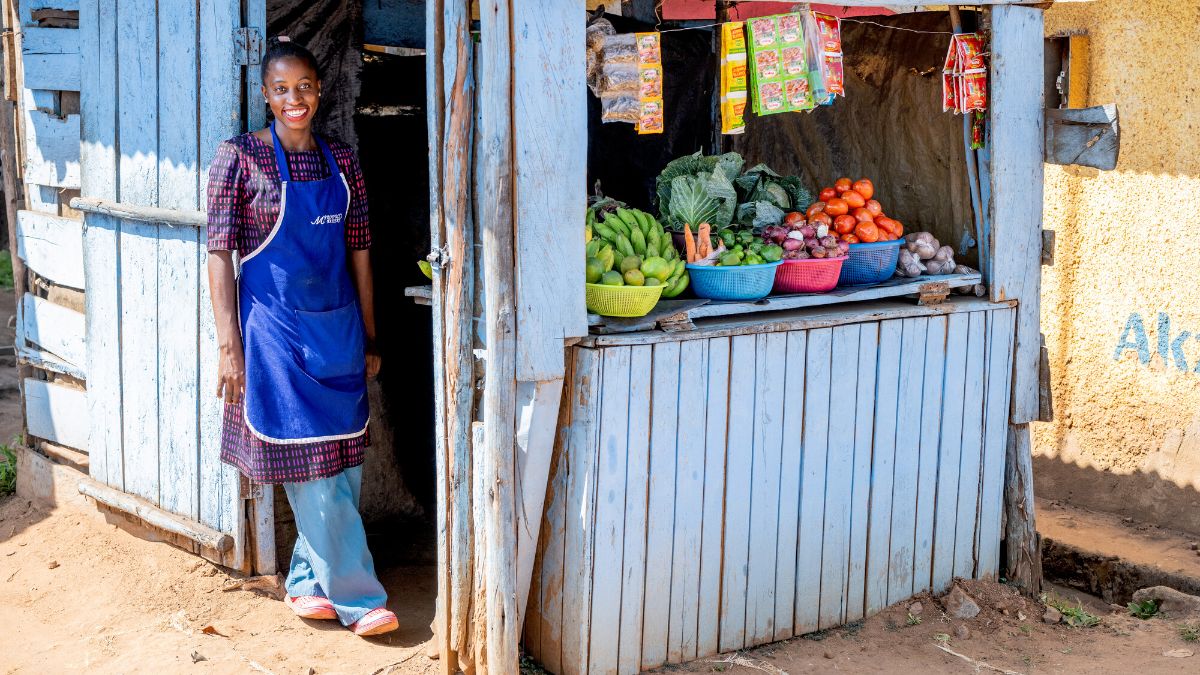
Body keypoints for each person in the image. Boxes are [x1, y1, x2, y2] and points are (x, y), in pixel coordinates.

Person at [205, 36, 397, 637]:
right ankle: (359, 597)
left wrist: (367, 333)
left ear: (320, 91)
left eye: (306, 88)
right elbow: (218, 255)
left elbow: (359, 250)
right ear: (265, 94)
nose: (296, 100)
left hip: (337, 327)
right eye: (282, 89)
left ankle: (307, 582)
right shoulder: (238, 159)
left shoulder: (340, 160)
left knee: (341, 463)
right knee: (311, 466)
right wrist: (228, 346)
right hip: (276, 337)